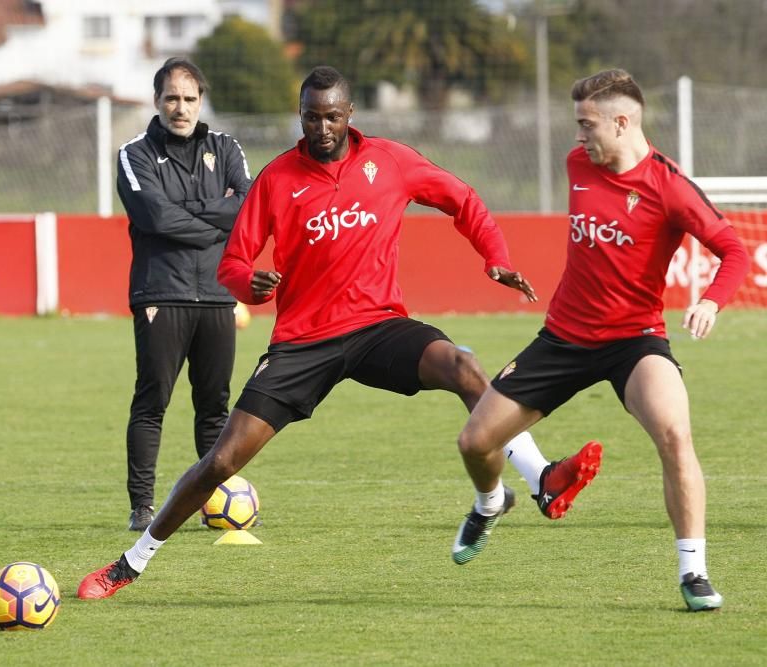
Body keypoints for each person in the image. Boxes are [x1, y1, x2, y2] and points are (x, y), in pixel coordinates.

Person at [77, 66, 600, 600]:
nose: (321, 127)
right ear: (299, 116)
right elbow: (233, 262)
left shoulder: (390, 162)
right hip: (303, 343)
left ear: (350, 115)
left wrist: (495, 258)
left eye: (331, 116)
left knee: (463, 368)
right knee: (223, 460)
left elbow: (462, 200)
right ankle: (129, 565)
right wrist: (250, 285)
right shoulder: (277, 179)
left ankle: (541, 479)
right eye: (310, 117)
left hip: (378, 327)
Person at [453, 69, 750, 611]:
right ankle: (491, 502)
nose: (577, 137)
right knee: (474, 443)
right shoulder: (577, 166)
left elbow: (735, 249)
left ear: (622, 121)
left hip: (634, 342)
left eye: (586, 125)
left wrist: (709, 300)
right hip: (562, 338)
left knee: (675, 435)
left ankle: (694, 572)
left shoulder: (670, 187)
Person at [116, 56, 252, 532]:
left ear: (201, 101)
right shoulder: (134, 154)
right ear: (157, 101)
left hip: (218, 294)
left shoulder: (226, 145)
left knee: (215, 406)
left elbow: (247, 206)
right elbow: (154, 218)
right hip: (161, 292)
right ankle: (142, 507)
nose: (181, 107)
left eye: (189, 98)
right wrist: (214, 215)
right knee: (153, 401)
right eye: (171, 98)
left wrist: (186, 213)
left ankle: (213, 503)